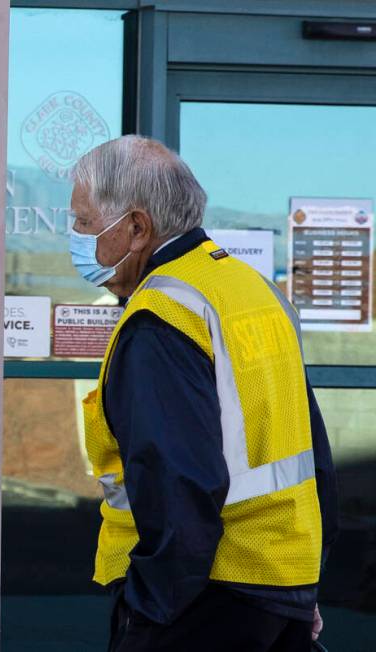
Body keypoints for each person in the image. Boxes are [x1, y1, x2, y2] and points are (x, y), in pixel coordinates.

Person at [69, 135, 338, 651]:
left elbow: (178, 482)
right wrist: (304, 589)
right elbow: (315, 456)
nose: (77, 236)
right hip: (281, 588)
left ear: (136, 228)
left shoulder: (162, 318)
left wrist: (148, 612)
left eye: (84, 222)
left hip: (204, 599)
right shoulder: (255, 290)